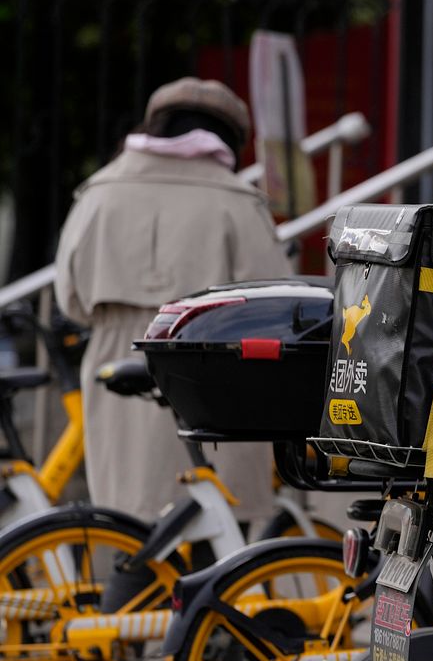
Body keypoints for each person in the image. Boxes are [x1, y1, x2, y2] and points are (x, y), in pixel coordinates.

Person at [54, 77, 290, 524]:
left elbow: (71, 300)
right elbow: (272, 306)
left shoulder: (97, 194)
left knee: (127, 526)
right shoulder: (236, 201)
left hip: (116, 367)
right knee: (213, 532)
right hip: (213, 376)